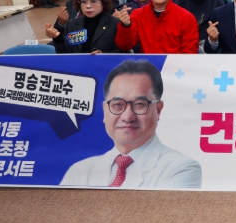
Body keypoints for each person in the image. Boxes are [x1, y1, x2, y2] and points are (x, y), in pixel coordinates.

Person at [60, 59, 202, 188]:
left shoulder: (182, 168)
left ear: (158, 109)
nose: (127, 116)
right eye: (117, 104)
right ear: (105, 110)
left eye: (140, 104)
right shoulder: (79, 171)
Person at [114, 0, 199, 54]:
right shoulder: (138, 14)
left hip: (175, 63)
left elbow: (189, 54)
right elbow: (125, 45)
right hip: (147, 62)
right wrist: (125, 26)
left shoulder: (187, 18)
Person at [45, 0, 121, 54]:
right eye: (84, 2)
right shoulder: (71, 24)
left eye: (93, 1)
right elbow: (65, 54)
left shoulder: (115, 23)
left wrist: (104, 55)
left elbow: (122, 51)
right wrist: (57, 38)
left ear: (103, 3)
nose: (88, 6)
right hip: (78, 64)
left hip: (106, 64)